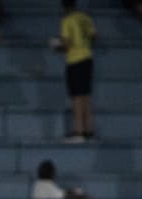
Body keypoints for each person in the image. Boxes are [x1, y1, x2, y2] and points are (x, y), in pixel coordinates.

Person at [51, 0, 96, 142]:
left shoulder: (67, 20)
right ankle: (89, 131)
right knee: (85, 96)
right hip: (87, 59)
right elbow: (93, 36)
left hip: (74, 61)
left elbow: (66, 44)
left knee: (76, 97)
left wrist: (56, 46)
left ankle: (79, 132)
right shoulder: (85, 18)